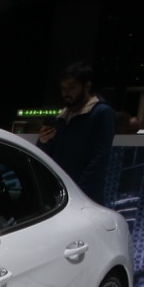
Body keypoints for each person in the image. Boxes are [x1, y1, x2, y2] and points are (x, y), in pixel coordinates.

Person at [37, 61, 116, 206]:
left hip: (84, 198)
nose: (66, 93)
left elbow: (99, 159)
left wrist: (78, 193)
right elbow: (48, 156)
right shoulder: (61, 117)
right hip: (59, 195)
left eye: (72, 87)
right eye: (63, 88)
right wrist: (42, 142)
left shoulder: (101, 113)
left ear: (87, 86)